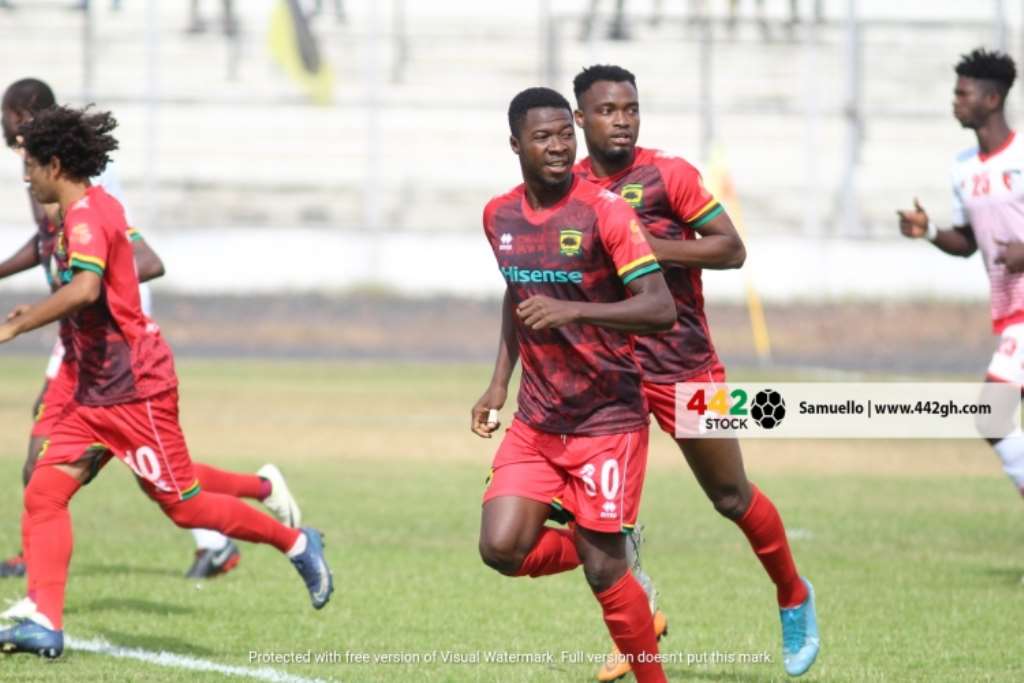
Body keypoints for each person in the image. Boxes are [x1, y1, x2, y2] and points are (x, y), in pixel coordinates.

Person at [0, 105, 333, 658]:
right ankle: (44, 619)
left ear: (55, 165)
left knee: (185, 506)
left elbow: (86, 289)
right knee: (44, 492)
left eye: (30, 166)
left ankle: (297, 542)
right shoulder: (90, 209)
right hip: (94, 392)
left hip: (135, 389)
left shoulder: (86, 217)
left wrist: (16, 324)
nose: (26, 177)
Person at [571, 64, 819, 679]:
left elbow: (731, 249)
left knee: (731, 496)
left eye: (631, 108)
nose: (622, 120)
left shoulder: (669, 174)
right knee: (603, 517)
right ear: (580, 119)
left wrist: (649, 247)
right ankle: (639, 615)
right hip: (610, 375)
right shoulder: (570, 187)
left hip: (685, 368)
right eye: (607, 110)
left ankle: (792, 593)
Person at [0, 78, 255, 583]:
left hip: (111, 329)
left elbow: (131, 252)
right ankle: (38, 561)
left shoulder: (79, 177)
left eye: (14, 126)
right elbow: (50, 240)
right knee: (92, 444)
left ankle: (254, 528)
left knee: (137, 460)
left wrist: (85, 292)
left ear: (31, 119)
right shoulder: (40, 174)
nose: (12, 140)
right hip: (79, 321)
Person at [472, 86, 675, 683]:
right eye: (544, 137)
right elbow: (518, 294)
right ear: (516, 145)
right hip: (537, 420)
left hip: (607, 420)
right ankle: (609, 546)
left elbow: (659, 307)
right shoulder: (499, 216)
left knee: (603, 574)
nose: (560, 146)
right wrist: (498, 384)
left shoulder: (605, 211)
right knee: (501, 549)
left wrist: (576, 311)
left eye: (566, 134)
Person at [898, 49, 1024, 498]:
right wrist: (930, 231)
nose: (955, 101)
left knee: (993, 414)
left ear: (992, 99)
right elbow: (969, 242)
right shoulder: (963, 168)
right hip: (1010, 312)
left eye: (962, 94)